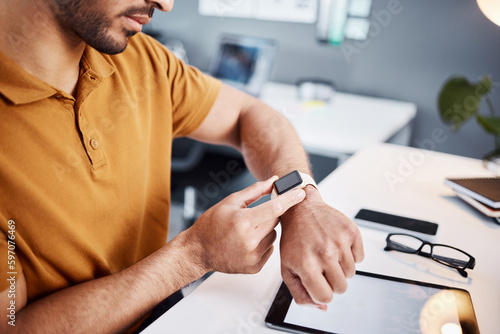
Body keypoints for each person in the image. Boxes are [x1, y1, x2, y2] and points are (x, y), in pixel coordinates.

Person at [0, 0, 364, 332]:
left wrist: (302, 203)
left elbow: (249, 114)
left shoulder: (142, 60)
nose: (166, 4)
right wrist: (194, 255)